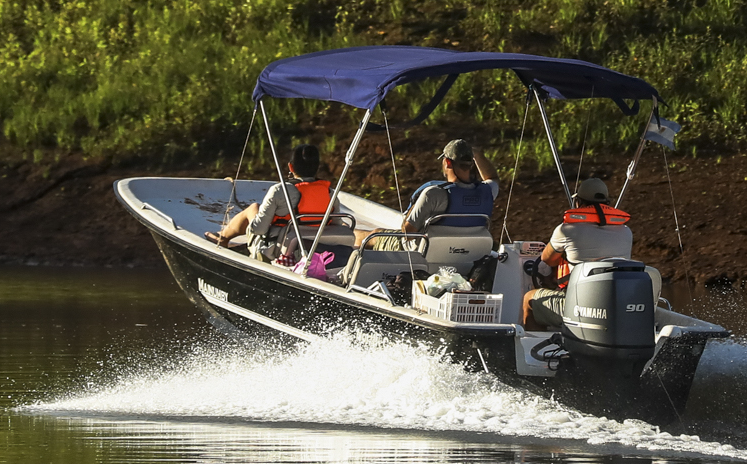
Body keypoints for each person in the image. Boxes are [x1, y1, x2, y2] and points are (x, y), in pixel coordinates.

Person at [522, 176, 635, 330]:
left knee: (529, 299)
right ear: (608, 204)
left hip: (581, 306)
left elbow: (547, 259)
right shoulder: (626, 232)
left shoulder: (566, 230)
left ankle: (533, 349)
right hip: (615, 305)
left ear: (578, 203)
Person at [362, 138, 497, 245]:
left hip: (423, 253)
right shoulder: (487, 192)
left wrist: (415, 205)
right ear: (471, 163)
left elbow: (407, 234)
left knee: (372, 234)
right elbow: (492, 177)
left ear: (447, 163)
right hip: (465, 253)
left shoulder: (433, 194)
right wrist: (477, 154)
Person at [216, 143, 341, 249]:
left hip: (279, 248)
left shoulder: (280, 190)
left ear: (290, 167)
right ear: (317, 167)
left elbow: (259, 230)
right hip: (314, 247)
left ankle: (223, 237)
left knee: (253, 208)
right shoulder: (330, 193)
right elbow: (336, 226)